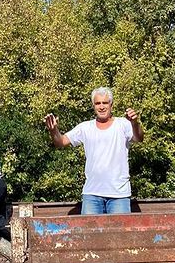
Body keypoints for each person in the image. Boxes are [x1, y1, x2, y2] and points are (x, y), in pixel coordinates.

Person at [44, 87, 144, 215]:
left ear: (111, 105)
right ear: (93, 106)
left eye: (105, 103)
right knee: (89, 234)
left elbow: (139, 138)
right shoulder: (85, 127)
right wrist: (53, 130)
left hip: (119, 194)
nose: (101, 107)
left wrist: (135, 123)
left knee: (119, 234)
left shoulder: (123, 124)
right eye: (98, 103)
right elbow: (61, 142)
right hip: (92, 195)